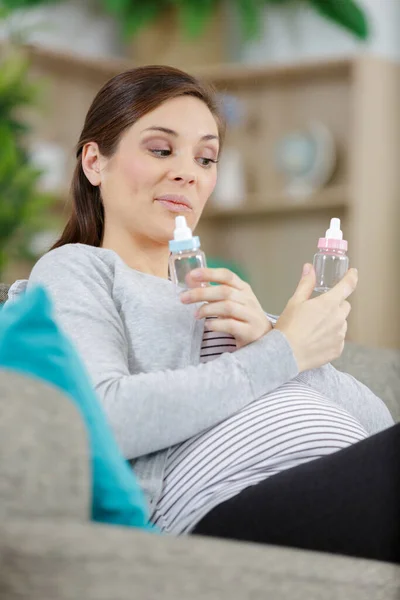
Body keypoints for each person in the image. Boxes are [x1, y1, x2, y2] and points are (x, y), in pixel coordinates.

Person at [8, 65, 399, 564]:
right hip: (219, 508)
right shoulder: (77, 269)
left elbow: (376, 428)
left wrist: (272, 336)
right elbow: (106, 416)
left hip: (329, 487)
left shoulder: (234, 302)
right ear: (94, 162)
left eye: (206, 157)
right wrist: (281, 352)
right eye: (160, 149)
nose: (188, 172)